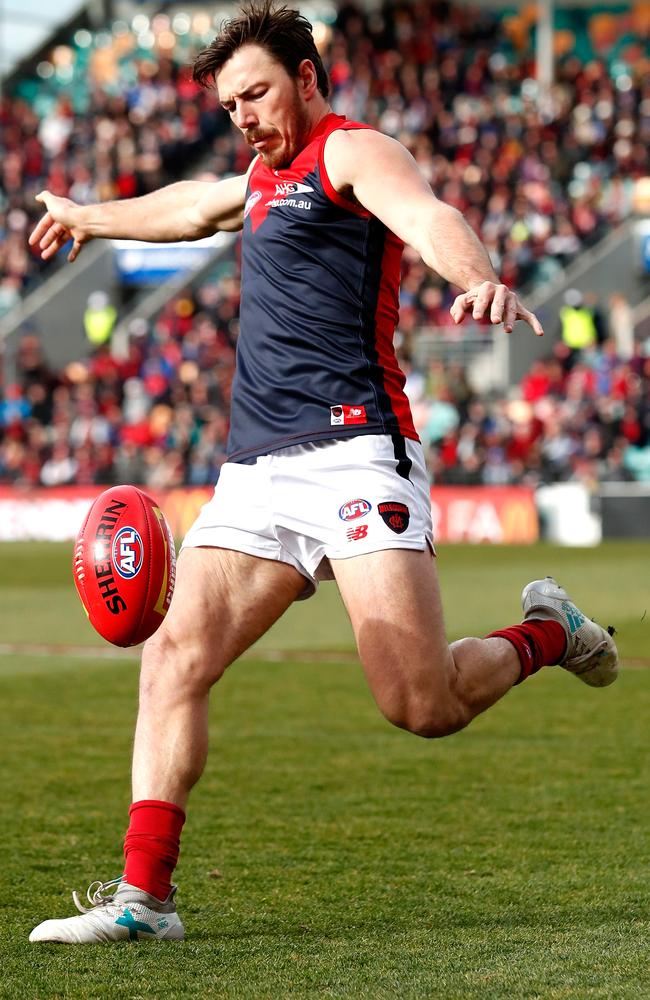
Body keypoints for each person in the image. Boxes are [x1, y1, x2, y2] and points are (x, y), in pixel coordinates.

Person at [27, 2, 618, 944]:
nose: (245, 116)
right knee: (174, 660)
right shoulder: (260, 176)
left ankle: (550, 631)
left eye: (255, 93)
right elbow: (190, 208)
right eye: (229, 106)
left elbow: (429, 214)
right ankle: (146, 900)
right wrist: (87, 217)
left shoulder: (352, 151)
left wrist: (475, 273)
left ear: (307, 77)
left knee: (420, 705)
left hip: (354, 451)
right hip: (256, 471)